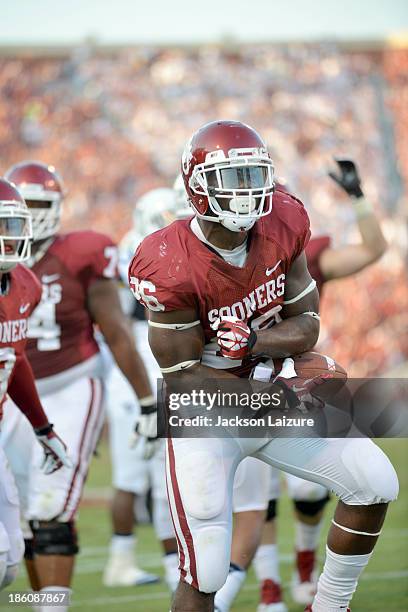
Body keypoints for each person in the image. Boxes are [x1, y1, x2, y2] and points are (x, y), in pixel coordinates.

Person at [129, 120, 398, 612]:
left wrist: (257, 340)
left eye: (255, 174)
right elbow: (184, 376)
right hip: (207, 415)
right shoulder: (167, 260)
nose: (248, 191)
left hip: (273, 390)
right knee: (206, 570)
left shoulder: (285, 222)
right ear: (197, 185)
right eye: (232, 178)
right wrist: (271, 394)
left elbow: (307, 325)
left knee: (375, 482)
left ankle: (329, 605)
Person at [1, 161, 156, 610]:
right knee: (23, 520)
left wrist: (147, 400)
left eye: (38, 206)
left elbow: (116, 329)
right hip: (13, 392)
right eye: (20, 208)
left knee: (50, 508)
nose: (28, 217)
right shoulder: (13, 266)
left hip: (72, 384)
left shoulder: (82, 252)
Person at [254, 162, 389, 610]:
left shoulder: (302, 257)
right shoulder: (215, 261)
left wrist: (358, 197)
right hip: (239, 383)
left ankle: (307, 572)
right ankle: (269, 586)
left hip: (295, 373)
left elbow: (371, 249)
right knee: (257, 488)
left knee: (312, 490)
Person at [104, 188, 183, 590]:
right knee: (149, 478)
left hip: (135, 371)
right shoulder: (139, 251)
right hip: (140, 371)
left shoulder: (126, 247)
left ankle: (143, 563)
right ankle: (134, 562)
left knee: (146, 478)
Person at [0, 178, 70, 592]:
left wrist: (43, 428)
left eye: (13, 226)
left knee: (8, 563)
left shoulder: (26, 284)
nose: (10, 238)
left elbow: (16, 359)